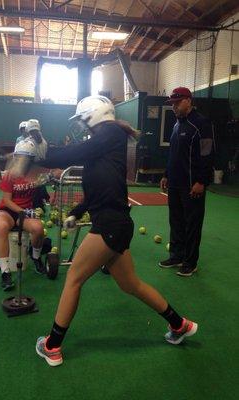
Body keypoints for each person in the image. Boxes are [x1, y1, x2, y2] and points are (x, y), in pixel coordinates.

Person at [32, 95, 198, 367]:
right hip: (117, 224)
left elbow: (74, 153)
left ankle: (52, 345)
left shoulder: (108, 133)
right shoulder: (106, 142)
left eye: (84, 119)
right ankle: (179, 325)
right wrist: (76, 212)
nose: (83, 126)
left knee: (73, 278)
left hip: (109, 226)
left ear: (95, 114)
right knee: (130, 284)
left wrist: (42, 153)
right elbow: (103, 188)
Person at [159, 87, 214, 277]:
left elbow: (207, 154)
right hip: (174, 183)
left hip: (192, 185)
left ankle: (190, 262)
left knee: (192, 224)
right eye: (172, 103)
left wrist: (201, 181)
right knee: (176, 222)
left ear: (188, 101)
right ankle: (176, 255)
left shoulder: (202, 124)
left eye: (177, 102)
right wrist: (166, 174)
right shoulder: (176, 125)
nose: (174, 107)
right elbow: (174, 154)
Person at [0, 139, 48, 291]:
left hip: (25, 211)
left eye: (26, 158)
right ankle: (5, 272)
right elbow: (6, 200)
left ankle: (36, 257)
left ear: (32, 159)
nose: (22, 161)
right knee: (3, 227)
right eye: (20, 157)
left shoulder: (35, 173)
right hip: (8, 210)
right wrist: (22, 212)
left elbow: (50, 174)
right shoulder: (10, 175)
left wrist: (54, 175)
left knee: (38, 229)